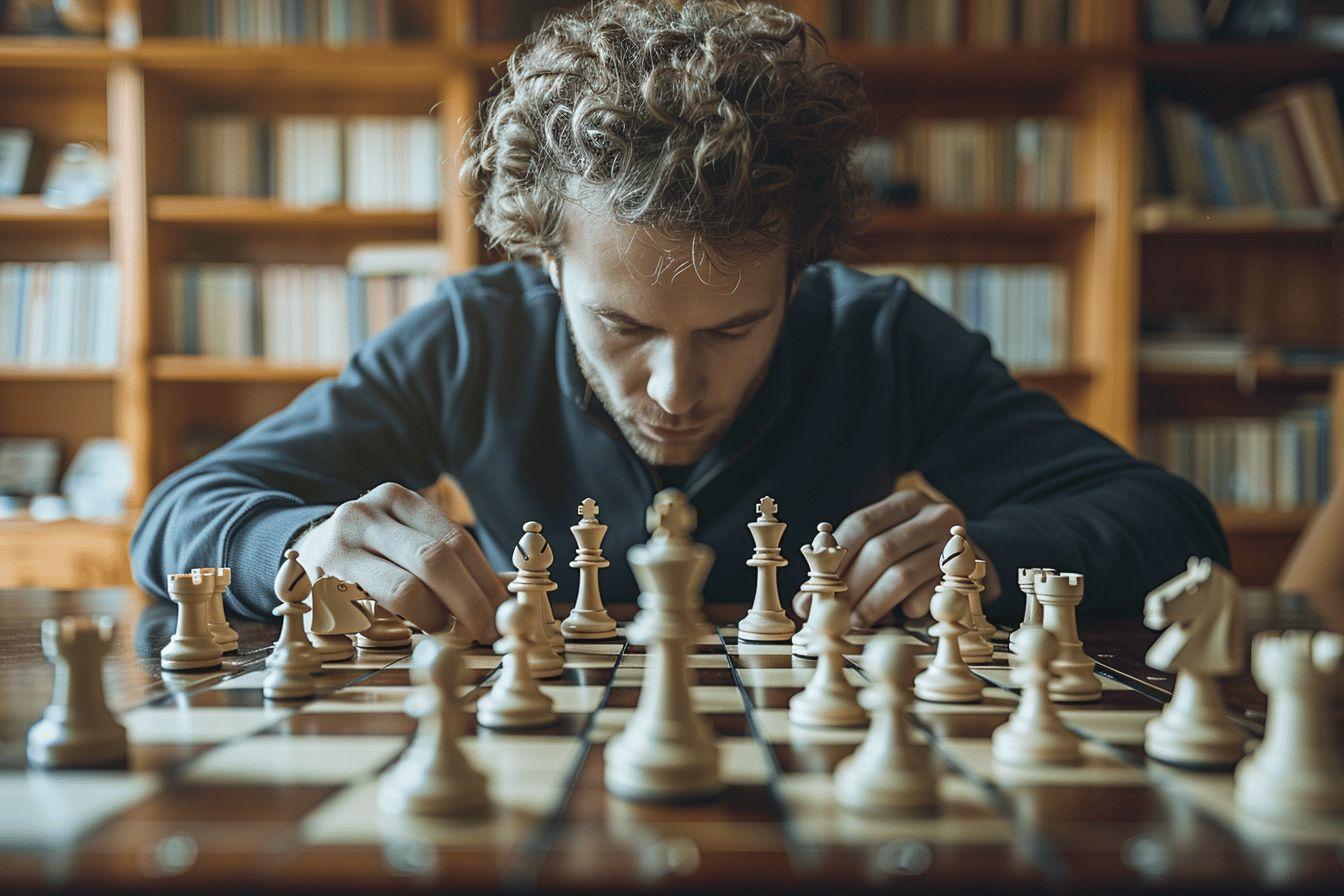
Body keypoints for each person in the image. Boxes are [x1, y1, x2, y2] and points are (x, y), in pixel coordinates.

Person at [130, 0, 1227, 643]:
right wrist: (303, 547)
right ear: (545, 259)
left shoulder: (879, 335)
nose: (672, 389)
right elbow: (179, 510)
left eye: (733, 328)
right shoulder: (470, 334)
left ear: (800, 273)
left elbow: (1171, 517)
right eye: (622, 324)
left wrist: (991, 556)